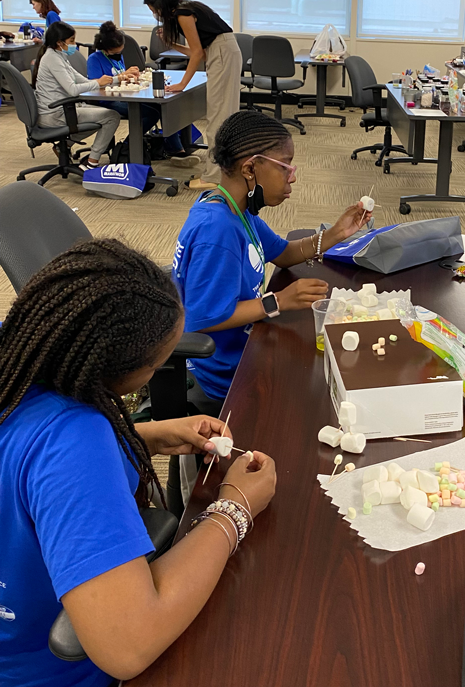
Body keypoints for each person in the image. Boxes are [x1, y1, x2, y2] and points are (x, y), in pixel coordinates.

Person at [0, 238, 277, 686]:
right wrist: (235, 507)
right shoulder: (73, 441)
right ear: (110, 369)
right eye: (153, 370)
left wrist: (143, 436)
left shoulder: (16, 356)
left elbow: (23, 470)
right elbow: (128, 645)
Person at [172, 109, 367, 412]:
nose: (293, 177)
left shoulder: (235, 208)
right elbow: (203, 319)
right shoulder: (218, 230)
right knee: (320, 394)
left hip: (247, 346)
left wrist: (337, 233)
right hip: (225, 376)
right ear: (250, 169)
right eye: (285, 167)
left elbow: (285, 253)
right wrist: (277, 301)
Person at [143, 0, 242, 189]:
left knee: (218, 117)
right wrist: (173, 45)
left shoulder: (182, 13)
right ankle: (220, 171)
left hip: (223, 54)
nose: (154, 14)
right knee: (222, 115)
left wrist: (182, 83)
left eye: (153, 9)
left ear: (160, 4)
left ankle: (215, 177)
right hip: (222, 53)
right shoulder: (187, 8)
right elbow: (201, 52)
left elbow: (197, 54)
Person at [87, 21, 199, 168]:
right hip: (108, 99)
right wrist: (121, 77)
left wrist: (133, 76)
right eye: (115, 52)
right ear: (106, 49)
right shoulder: (94, 59)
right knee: (151, 114)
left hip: (125, 95)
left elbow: (121, 75)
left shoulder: (117, 56)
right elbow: (96, 84)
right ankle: (128, 145)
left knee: (162, 108)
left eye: (120, 51)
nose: (118, 55)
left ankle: (176, 150)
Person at [33, 20, 120, 172]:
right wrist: (99, 83)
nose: (74, 44)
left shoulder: (58, 56)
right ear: (59, 42)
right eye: (71, 41)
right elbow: (73, 90)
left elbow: (85, 81)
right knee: (111, 117)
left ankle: (65, 145)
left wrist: (118, 79)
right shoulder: (52, 59)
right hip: (55, 114)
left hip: (61, 109)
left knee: (102, 116)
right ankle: (91, 162)